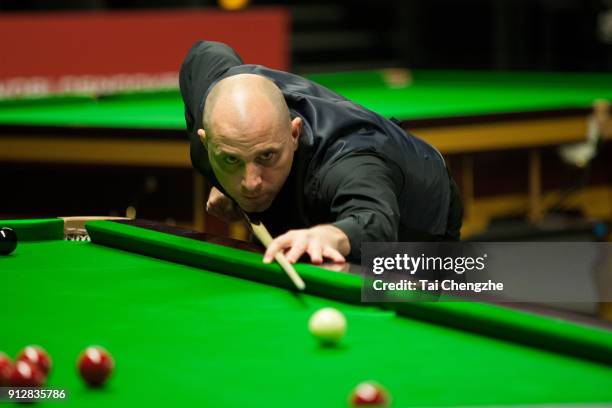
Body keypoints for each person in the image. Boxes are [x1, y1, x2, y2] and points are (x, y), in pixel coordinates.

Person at [179, 40, 463, 265]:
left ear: (293, 134)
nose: (250, 182)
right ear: (207, 142)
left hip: (416, 214)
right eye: (231, 159)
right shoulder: (211, 100)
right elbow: (204, 52)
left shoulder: (348, 160)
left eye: (266, 156)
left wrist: (331, 233)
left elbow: (376, 222)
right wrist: (221, 178)